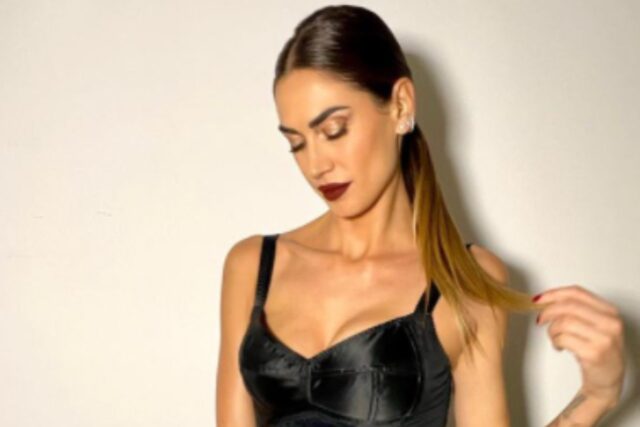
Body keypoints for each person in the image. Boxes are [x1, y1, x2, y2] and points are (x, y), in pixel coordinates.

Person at [216, 5, 626, 426]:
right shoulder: (252, 267)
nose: (316, 165)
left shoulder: (466, 284)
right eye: (297, 143)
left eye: (334, 130)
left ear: (400, 105)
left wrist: (596, 396)